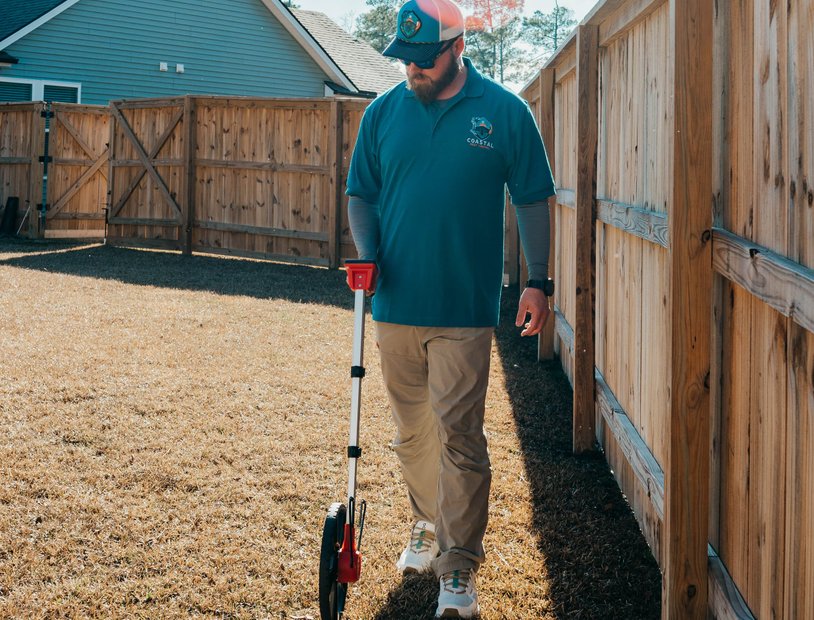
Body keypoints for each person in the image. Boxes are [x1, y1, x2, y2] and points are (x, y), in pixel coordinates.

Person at [345, 0, 556, 616]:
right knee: (413, 433)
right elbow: (361, 192)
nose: (412, 69)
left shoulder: (504, 113)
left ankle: (458, 569)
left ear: (458, 47)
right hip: (395, 307)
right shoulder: (383, 114)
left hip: (464, 309)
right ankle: (424, 521)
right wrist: (372, 256)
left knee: (459, 436)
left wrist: (537, 281)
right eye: (404, 58)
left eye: (424, 57)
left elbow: (534, 197)